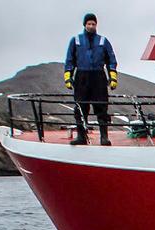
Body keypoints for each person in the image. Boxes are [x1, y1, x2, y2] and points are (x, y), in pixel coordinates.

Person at [64, 13, 118, 146]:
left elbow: (111, 60)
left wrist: (113, 78)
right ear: (84, 25)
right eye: (89, 24)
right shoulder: (75, 40)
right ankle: (81, 136)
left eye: (93, 24)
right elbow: (69, 60)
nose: (91, 26)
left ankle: (104, 137)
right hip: (82, 76)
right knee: (81, 108)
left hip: (98, 76)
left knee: (101, 107)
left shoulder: (103, 41)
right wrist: (68, 78)